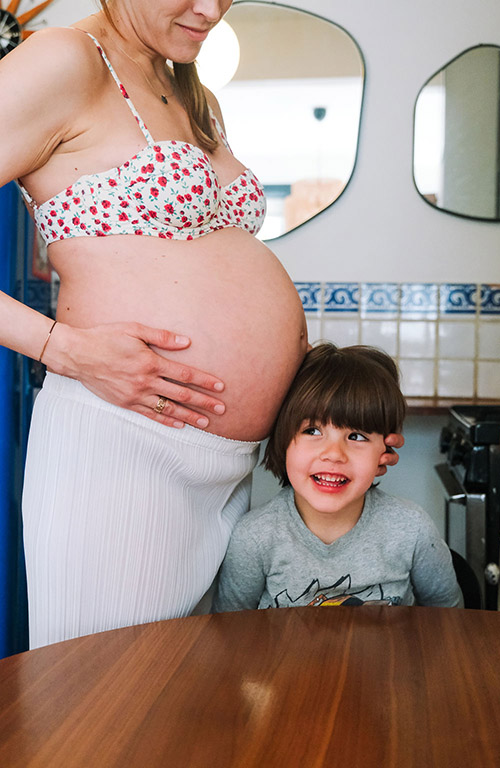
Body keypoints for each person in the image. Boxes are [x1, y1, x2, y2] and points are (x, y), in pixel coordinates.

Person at [0, 1, 402, 648]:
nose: (211, 9)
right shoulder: (65, 61)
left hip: (227, 464)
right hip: (127, 450)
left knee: (190, 710)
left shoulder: (190, 87)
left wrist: (342, 418)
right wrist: (62, 349)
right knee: (108, 711)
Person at [213, 344, 461, 612]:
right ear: (283, 439)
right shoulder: (254, 538)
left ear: (386, 450)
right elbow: (230, 633)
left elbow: (448, 619)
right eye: (312, 431)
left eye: (356, 436)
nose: (333, 454)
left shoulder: (412, 530)